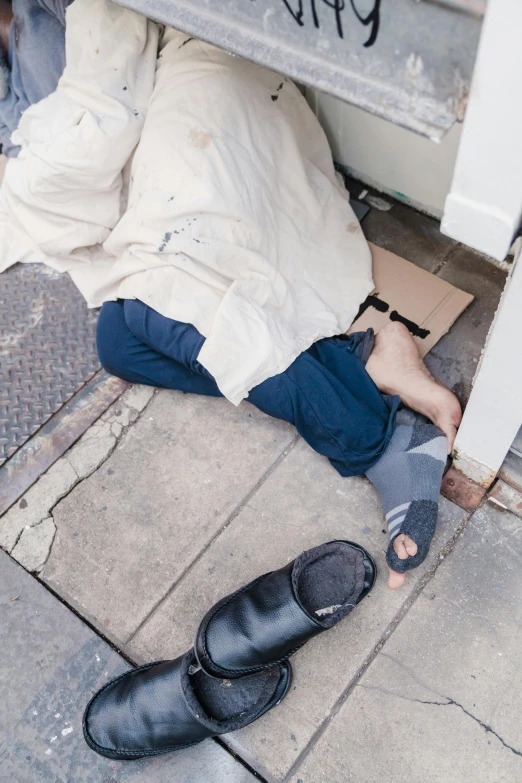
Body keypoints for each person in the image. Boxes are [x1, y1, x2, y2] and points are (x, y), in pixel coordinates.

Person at [0, 1, 462, 590]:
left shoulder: (51, 10)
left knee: (154, 302)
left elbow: (97, 126)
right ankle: (356, 359)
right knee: (119, 342)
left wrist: (37, 184)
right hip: (145, 158)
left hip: (199, 95)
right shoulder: (10, 74)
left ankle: (379, 438)